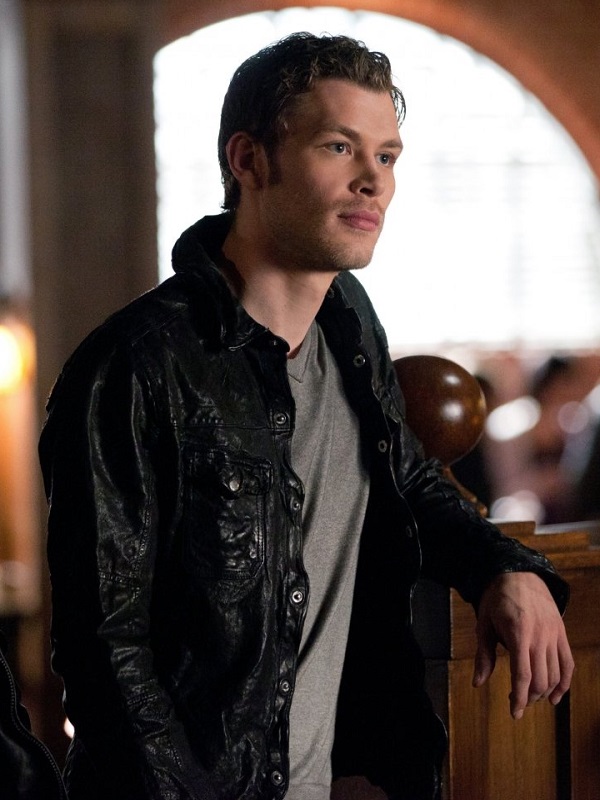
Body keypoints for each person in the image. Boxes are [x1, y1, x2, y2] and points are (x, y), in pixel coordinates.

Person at [38, 32, 573, 800]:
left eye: (386, 156)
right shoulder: (133, 366)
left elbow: (406, 477)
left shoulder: (349, 322)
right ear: (249, 160)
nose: (373, 181)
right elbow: (105, 655)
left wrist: (502, 568)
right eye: (339, 147)